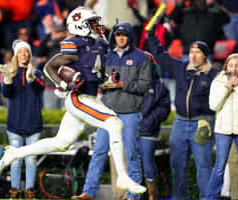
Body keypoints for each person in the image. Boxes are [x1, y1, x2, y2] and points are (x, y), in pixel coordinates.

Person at [0, 6, 147, 195]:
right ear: (80, 25)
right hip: (78, 98)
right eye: (92, 22)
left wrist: (110, 80)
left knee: (61, 142)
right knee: (114, 123)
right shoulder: (75, 44)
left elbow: (97, 77)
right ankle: (123, 177)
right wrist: (64, 84)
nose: (97, 26)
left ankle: (15, 153)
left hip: (90, 96)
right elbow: (50, 67)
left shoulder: (99, 44)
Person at [71, 22, 153, 200]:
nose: (121, 38)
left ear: (129, 36)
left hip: (130, 112)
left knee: (131, 154)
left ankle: (133, 196)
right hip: (107, 113)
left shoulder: (142, 58)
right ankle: (88, 193)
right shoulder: (106, 57)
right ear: (113, 37)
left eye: (124, 35)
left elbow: (145, 85)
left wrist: (123, 84)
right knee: (99, 152)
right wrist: (101, 84)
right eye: (117, 35)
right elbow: (96, 78)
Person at [147, 32, 219, 199]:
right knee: (177, 166)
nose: (194, 55)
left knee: (204, 167)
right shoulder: (180, 67)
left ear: (205, 56)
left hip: (202, 124)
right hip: (179, 124)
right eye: (192, 52)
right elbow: (161, 56)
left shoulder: (214, 74)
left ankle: (206, 198)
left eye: (198, 52)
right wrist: (151, 36)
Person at [0, 39, 45, 199]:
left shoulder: (37, 73)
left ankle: (30, 191)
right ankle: (15, 191)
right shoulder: (11, 73)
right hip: (15, 124)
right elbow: (6, 93)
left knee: (31, 159)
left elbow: (40, 87)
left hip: (33, 124)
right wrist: (7, 79)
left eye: (26, 52)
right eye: (20, 52)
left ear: (29, 55)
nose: (23, 55)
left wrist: (32, 76)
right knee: (16, 159)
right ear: (16, 55)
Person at [138, 52, 171, 200]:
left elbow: (164, 109)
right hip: (128, 131)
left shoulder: (159, 86)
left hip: (148, 131)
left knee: (148, 163)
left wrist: (148, 121)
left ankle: (152, 195)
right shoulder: (126, 80)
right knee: (129, 165)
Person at [206, 53, 238, 199]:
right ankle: (212, 196)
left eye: (237, 66)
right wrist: (228, 87)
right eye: (231, 65)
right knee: (219, 166)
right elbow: (213, 106)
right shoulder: (218, 82)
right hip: (223, 131)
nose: (234, 68)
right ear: (226, 66)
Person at [36, 23, 67, 109]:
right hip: (50, 86)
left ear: (65, 33)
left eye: (62, 32)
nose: (60, 34)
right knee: (50, 113)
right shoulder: (50, 46)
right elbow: (38, 52)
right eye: (58, 32)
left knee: (65, 115)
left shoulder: (70, 46)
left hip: (66, 86)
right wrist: (48, 34)